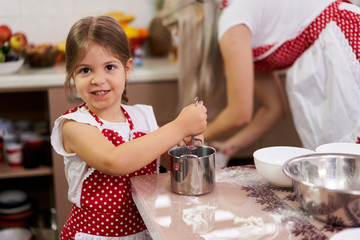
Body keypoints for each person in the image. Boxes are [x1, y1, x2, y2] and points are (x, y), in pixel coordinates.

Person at [50, 15, 207, 240]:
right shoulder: (75, 125)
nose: (97, 79)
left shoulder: (142, 116)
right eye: (85, 70)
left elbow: (172, 165)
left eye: (109, 67)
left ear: (127, 68)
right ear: (72, 75)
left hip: (145, 232)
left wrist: (190, 141)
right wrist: (179, 127)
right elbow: (114, 161)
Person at [160, 0, 360, 157]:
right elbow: (273, 109)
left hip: (343, 43)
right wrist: (231, 145)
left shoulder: (232, 22)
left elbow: (239, 114)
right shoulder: (243, 25)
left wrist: (188, 135)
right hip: (332, 52)